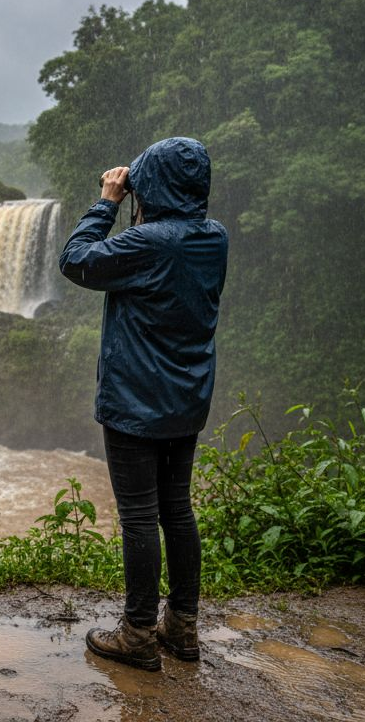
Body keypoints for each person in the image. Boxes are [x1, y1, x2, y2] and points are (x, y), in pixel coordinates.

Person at [58, 137, 228, 671]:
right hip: (186, 397)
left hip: (135, 400)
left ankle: (136, 635)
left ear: (148, 185)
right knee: (177, 510)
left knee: (138, 518)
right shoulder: (213, 237)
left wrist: (109, 200)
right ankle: (182, 627)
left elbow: (76, 261)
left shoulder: (148, 243)